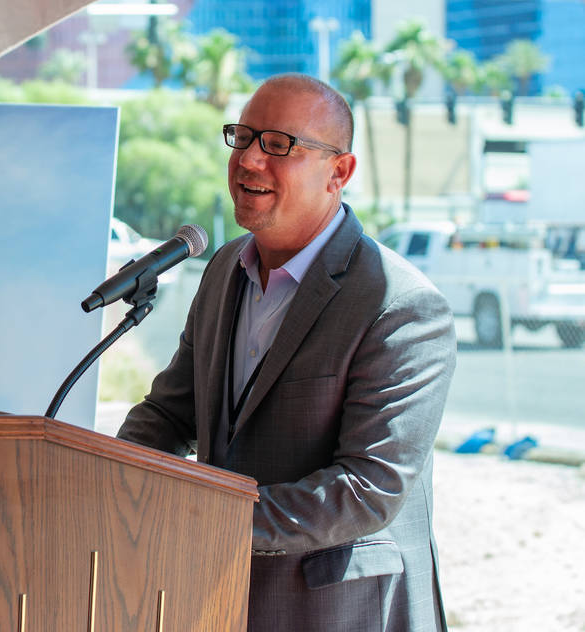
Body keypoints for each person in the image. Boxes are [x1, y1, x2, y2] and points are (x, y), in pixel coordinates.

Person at [117, 73, 456, 631]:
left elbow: (367, 490)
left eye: (279, 144)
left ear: (339, 172)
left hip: (339, 608)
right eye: (243, 137)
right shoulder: (225, 267)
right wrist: (114, 481)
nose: (250, 160)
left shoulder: (401, 306)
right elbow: (172, 414)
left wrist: (205, 521)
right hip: (218, 592)